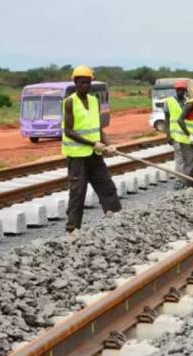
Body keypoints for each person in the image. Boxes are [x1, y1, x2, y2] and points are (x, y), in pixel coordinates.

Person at [61, 65, 121, 233]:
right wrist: (93, 144)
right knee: (78, 194)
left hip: (94, 155)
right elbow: (68, 131)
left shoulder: (95, 101)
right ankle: (72, 230)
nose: (85, 86)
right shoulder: (69, 102)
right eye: (81, 83)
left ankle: (117, 222)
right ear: (75, 83)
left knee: (107, 187)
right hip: (77, 157)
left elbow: (99, 129)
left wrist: (109, 144)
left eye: (88, 83)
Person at [163, 79, 189, 175]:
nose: (180, 92)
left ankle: (187, 179)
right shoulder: (169, 102)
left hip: (187, 135)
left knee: (188, 159)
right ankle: (180, 180)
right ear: (175, 90)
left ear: (185, 91)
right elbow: (166, 119)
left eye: (182, 90)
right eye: (178, 90)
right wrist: (168, 134)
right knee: (179, 160)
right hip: (176, 136)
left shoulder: (189, 102)